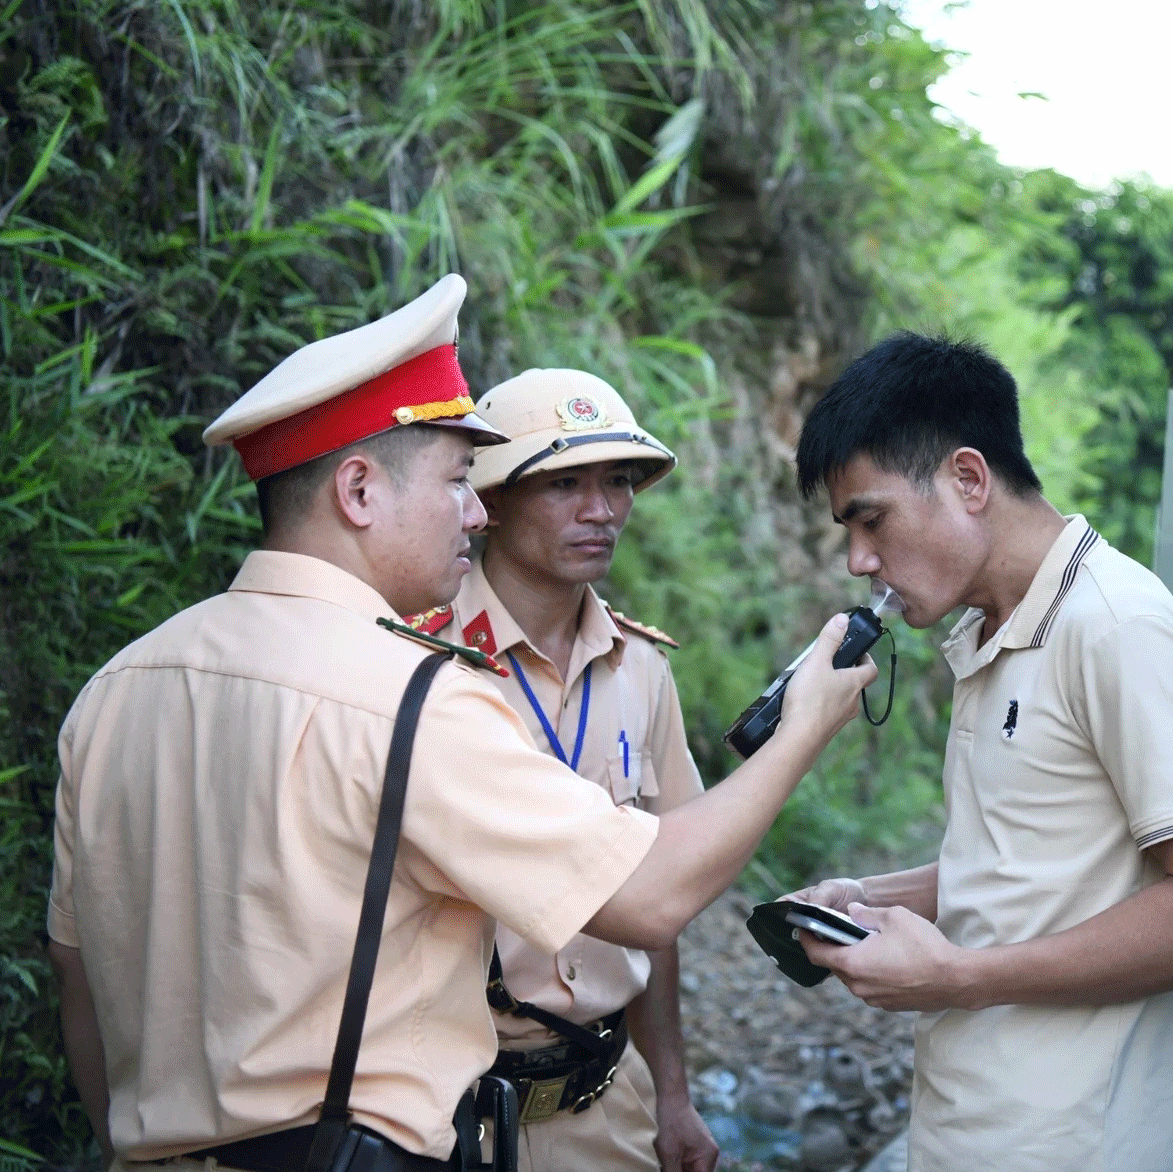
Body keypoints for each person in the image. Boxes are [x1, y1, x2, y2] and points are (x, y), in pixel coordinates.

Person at [46, 275, 874, 1170]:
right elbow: (650, 898)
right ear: (359, 491)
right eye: (455, 480)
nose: (474, 511)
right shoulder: (412, 694)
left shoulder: (115, 688)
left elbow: (77, 974)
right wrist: (804, 729)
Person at [786, 333, 1173, 1172]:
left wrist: (959, 978)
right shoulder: (994, 629)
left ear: (969, 479)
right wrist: (866, 897)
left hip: (1086, 1145)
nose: (858, 561)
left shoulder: (1117, 627)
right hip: (980, 1132)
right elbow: (1035, 871)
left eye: (871, 520)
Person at [407, 368, 714, 1171]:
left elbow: (662, 898)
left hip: (608, 1105)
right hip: (442, 1118)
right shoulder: (416, 662)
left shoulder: (642, 670)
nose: (603, 509)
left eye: (618, 481)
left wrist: (674, 1099)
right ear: (492, 500)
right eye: (565, 483)